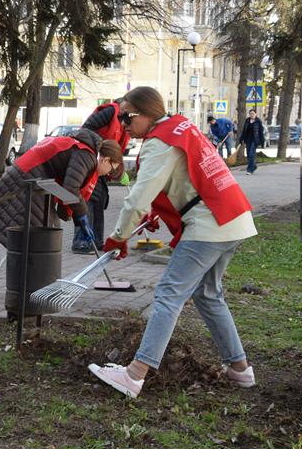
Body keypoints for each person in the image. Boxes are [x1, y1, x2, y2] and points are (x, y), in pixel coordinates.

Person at [87, 86, 258, 399]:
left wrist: (118, 237)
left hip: (210, 224)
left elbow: (137, 198)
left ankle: (134, 374)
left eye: (127, 117)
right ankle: (240, 369)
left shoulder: (160, 141)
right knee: (208, 294)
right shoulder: (180, 127)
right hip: (233, 217)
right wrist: (155, 213)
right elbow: (182, 179)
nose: (122, 125)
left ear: (147, 113)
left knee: (169, 293)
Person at [0, 128, 124, 251]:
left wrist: (78, 218)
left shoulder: (84, 150)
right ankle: (30, 275)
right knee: (39, 238)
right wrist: (82, 216)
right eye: (111, 170)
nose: (108, 174)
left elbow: (69, 188)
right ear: (105, 160)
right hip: (30, 176)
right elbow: (71, 189)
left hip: (32, 175)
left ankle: (32, 272)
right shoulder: (87, 156)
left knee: (45, 233)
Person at [71, 100, 130, 253]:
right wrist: (100, 149)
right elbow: (87, 128)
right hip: (94, 159)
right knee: (89, 198)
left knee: (100, 199)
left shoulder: (125, 123)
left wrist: (118, 168)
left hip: (104, 162)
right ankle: (81, 241)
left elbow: (119, 146)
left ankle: (97, 241)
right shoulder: (109, 112)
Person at [238, 109, 265, 175]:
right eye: (250, 114)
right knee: (248, 155)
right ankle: (254, 166)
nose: (251, 115)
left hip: (255, 140)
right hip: (248, 140)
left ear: (255, 114)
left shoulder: (258, 121)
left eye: (253, 113)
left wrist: (262, 141)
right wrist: (241, 138)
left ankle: (249, 170)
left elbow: (261, 132)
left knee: (251, 154)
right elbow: (244, 130)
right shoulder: (247, 120)